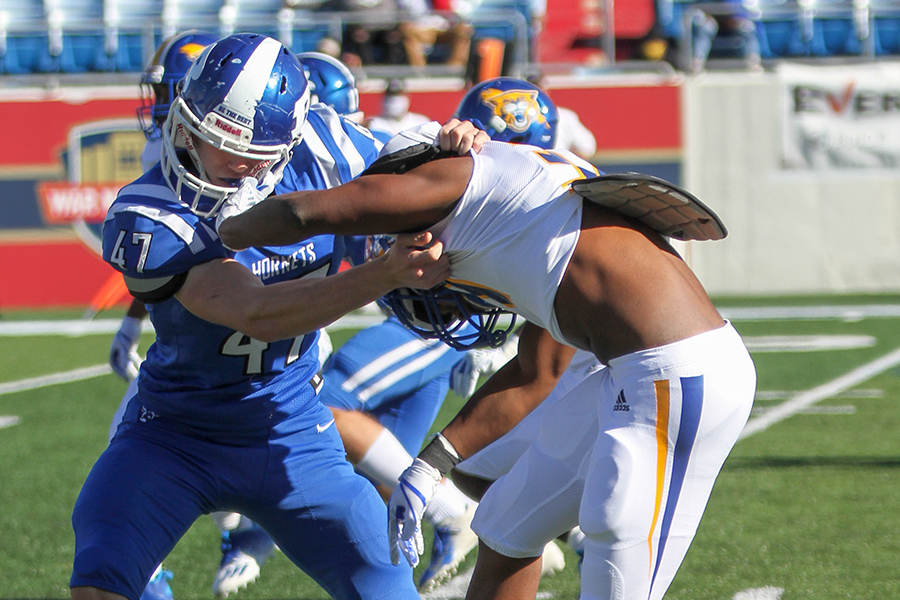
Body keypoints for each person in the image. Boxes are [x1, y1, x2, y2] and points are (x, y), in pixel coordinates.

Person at [216, 112, 757, 600]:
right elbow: (534, 372)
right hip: (636, 373)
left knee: (615, 535)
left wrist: (221, 229)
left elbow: (307, 213)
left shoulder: (446, 180)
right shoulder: (517, 210)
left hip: (679, 376)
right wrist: (427, 468)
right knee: (507, 520)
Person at [71, 33, 450, 600]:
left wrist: (456, 153)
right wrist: (385, 273)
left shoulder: (326, 150)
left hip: (290, 426)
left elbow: (433, 184)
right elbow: (257, 312)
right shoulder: (143, 212)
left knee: (386, 583)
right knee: (102, 571)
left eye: (232, 147)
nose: (200, 152)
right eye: (196, 131)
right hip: (176, 431)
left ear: (284, 147)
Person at [364, 79, 431, 144]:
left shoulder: (421, 123)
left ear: (407, 98)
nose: (395, 101)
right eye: (391, 96)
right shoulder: (372, 124)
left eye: (399, 96)